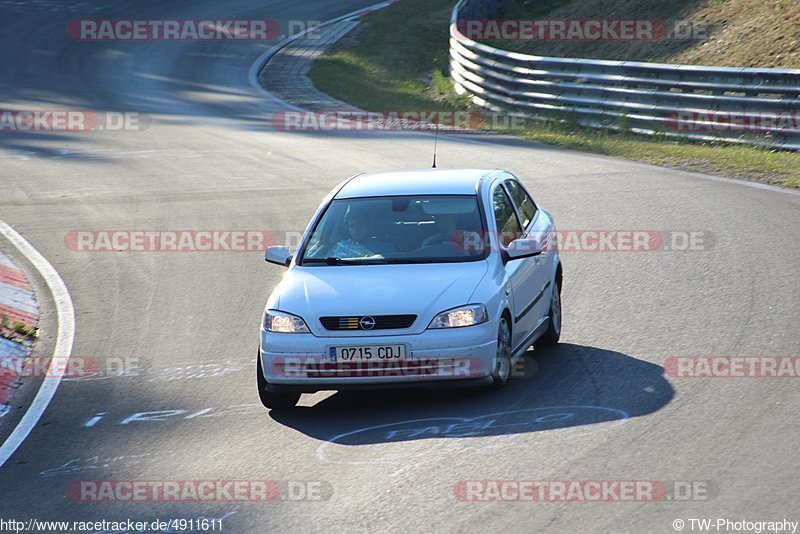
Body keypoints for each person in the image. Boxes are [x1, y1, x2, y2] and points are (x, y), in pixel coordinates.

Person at [330, 203, 396, 258]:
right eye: (352, 225)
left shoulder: (386, 248)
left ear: (368, 225)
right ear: (347, 228)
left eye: (360, 224)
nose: (356, 229)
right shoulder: (340, 247)